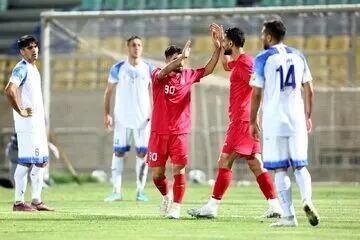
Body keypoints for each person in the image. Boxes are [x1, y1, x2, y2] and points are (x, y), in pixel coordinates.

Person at [188, 24, 282, 219]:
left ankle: (212, 206)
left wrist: (254, 116)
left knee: (225, 160)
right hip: (244, 120)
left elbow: (260, 87)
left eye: (225, 41)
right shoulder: (239, 62)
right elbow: (225, 65)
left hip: (242, 121)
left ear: (231, 42)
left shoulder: (247, 64)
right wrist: (219, 46)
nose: (223, 43)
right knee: (256, 163)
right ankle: (275, 206)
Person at [249, 18, 319, 227]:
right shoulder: (298, 56)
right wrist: (307, 115)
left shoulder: (262, 59)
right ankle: (307, 200)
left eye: (263, 34)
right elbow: (309, 89)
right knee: (300, 165)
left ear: (269, 36)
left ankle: (289, 216)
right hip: (297, 118)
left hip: (274, 120)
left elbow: (256, 93)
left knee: (280, 169)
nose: (262, 37)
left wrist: (252, 120)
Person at [148, 27, 221, 219]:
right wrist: (181, 58)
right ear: (167, 61)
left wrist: (218, 49)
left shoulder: (188, 76)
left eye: (181, 60)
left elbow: (208, 69)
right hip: (158, 132)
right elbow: (163, 72)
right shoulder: (157, 75)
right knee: (157, 175)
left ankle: (176, 208)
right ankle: (166, 196)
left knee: (179, 170)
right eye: (175, 60)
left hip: (179, 132)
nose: (180, 64)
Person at [4, 35, 54, 211]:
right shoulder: (21, 68)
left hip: (37, 124)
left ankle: (36, 200)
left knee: (41, 162)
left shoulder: (33, 68)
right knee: (25, 162)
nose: (34, 50)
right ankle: (18, 203)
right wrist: (21, 111)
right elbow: (10, 90)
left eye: (35, 46)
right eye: (29, 47)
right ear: (22, 51)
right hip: (28, 125)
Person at [103, 36, 154, 202]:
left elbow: (156, 93)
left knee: (142, 153)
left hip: (143, 119)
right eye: (133, 45)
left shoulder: (149, 68)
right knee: (118, 152)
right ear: (128, 47)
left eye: (139, 45)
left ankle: (140, 191)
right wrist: (107, 113)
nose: (136, 48)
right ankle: (116, 191)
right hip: (122, 118)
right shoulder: (118, 68)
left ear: (142, 47)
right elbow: (108, 92)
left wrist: (155, 112)